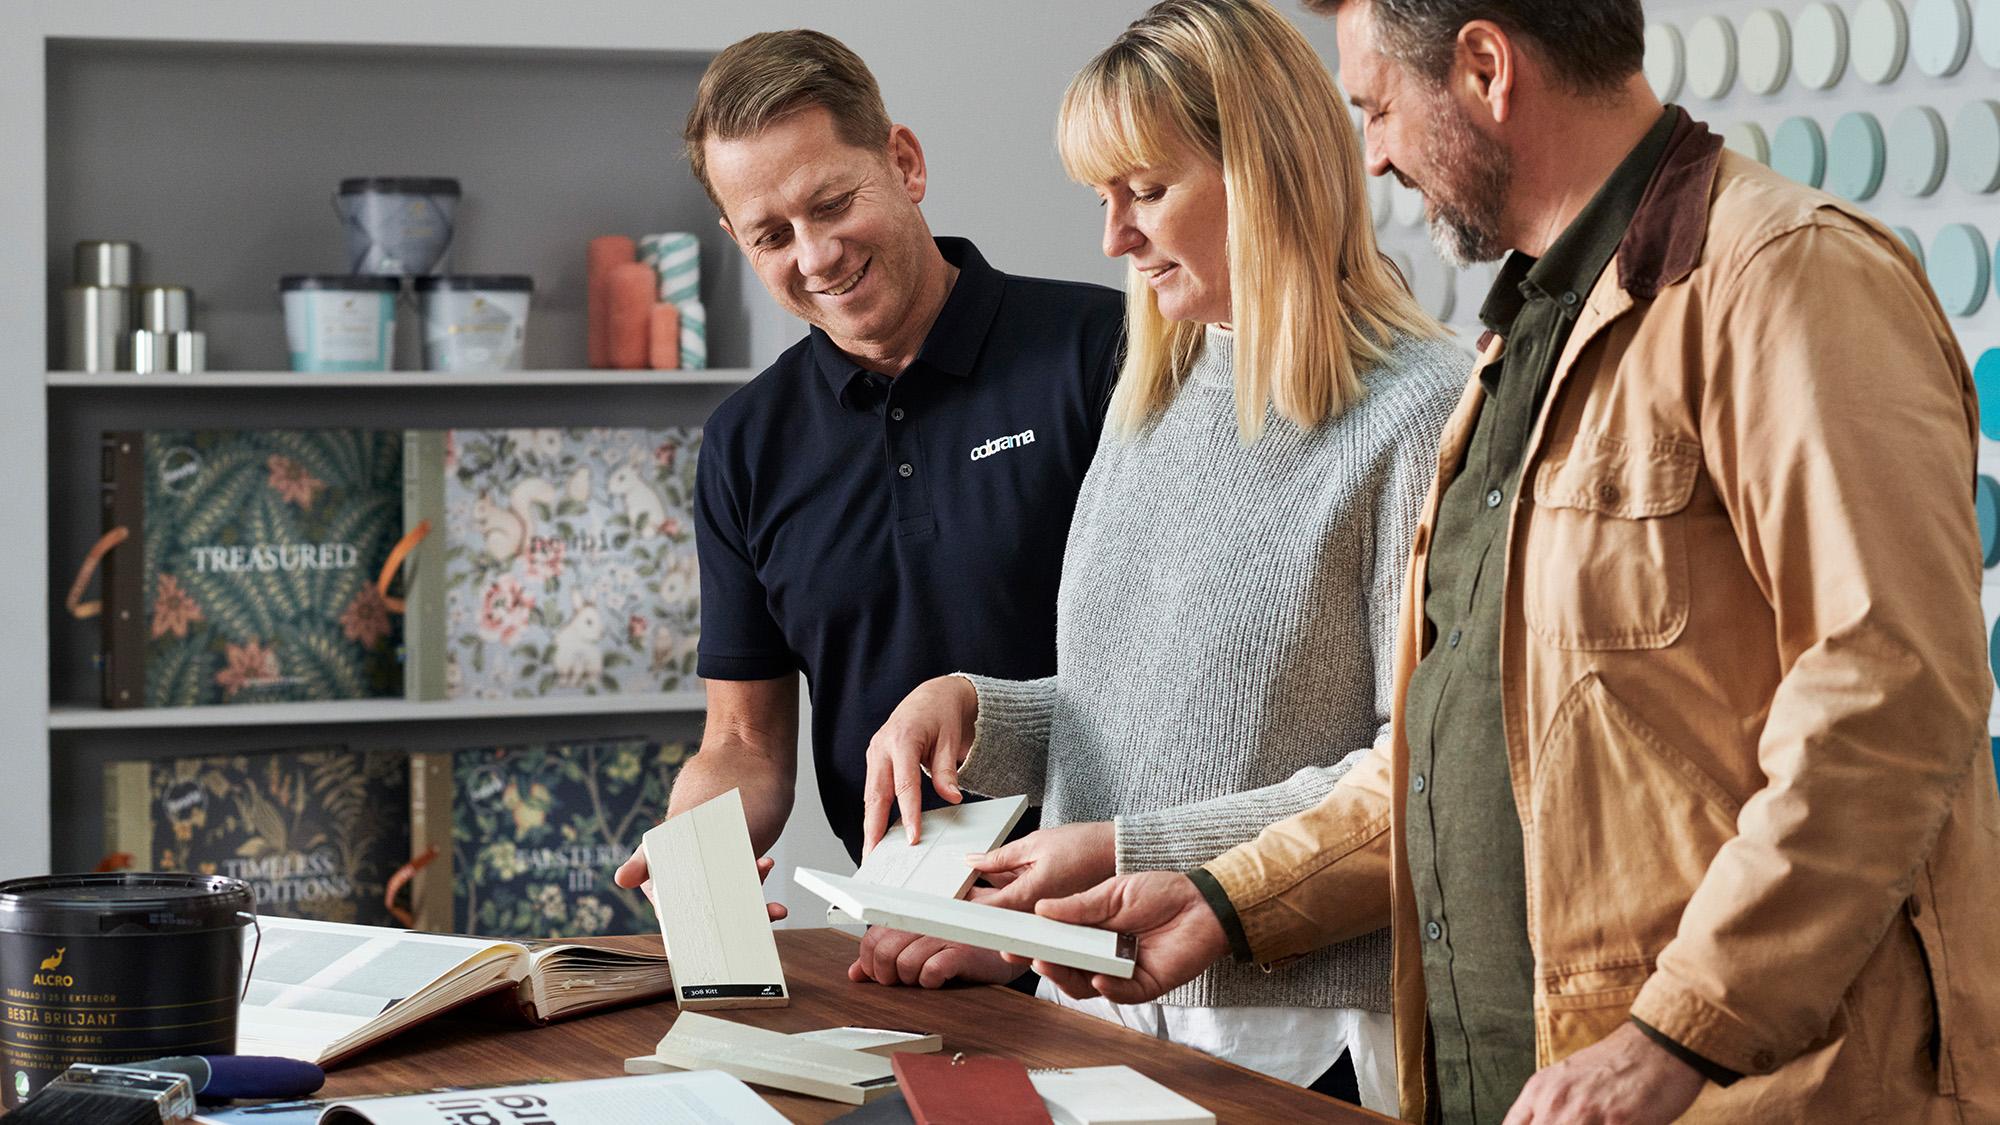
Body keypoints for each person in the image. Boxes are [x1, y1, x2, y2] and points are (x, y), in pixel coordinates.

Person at [1017, 1, 2000, 1123]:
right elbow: (1448, 747)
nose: (1372, 155)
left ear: (1483, 68)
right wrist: (1226, 902)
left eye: (1378, 108)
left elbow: (1884, 703)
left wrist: (1674, 1034)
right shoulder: (1518, 348)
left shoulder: (1790, 279)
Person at [855, 0, 1462, 1110]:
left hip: (1290, 1031)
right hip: (1099, 1004)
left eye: (1144, 191)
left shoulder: (1417, 415)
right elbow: (1164, 700)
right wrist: (981, 713)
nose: (1112, 239)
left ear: (1266, 170)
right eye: (1101, 198)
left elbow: (1415, 775)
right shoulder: (1161, 397)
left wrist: (1125, 848)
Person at [612, 30, 1123, 917]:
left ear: (904, 162)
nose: (815, 256)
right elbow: (743, 739)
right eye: (772, 235)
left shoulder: (1105, 354)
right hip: (904, 927)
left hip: (1110, 909)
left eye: (832, 204)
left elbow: (1185, 676)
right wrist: (696, 858)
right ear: (737, 239)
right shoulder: (745, 444)